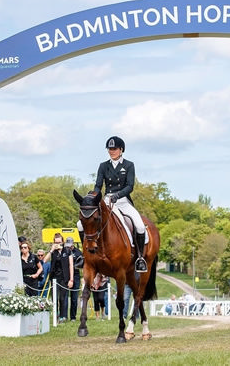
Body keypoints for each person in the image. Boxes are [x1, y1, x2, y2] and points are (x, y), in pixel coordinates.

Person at [93, 136, 147, 272]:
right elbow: (98, 185)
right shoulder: (103, 166)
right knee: (82, 223)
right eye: (110, 149)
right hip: (106, 201)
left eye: (114, 149)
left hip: (123, 200)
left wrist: (118, 195)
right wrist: (94, 197)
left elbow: (130, 186)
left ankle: (140, 258)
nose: (112, 151)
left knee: (140, 226)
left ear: (121, 149)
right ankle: (86, 255)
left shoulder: (129, 165)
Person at [43, 232, 73, 322]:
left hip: (64, 277)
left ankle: (63, 316)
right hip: (54, 277)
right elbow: (44, 260)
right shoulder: (53, 252)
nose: (58, 244)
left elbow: (71, 265)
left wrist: (71, 279)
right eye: (56, 242)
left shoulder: (67, 251)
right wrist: (51, 250)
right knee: (54, 298)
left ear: (63, 242)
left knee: (62, 298)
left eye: (59, 242)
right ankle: (56, 315)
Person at [68, 237, 82, 321]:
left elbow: (82, 264)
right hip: (66, 275)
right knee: (64, 297)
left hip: (76, 276)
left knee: (74, 297)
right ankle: (63, 315)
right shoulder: (64, 250)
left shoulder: (78, 252)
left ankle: (73, 316)